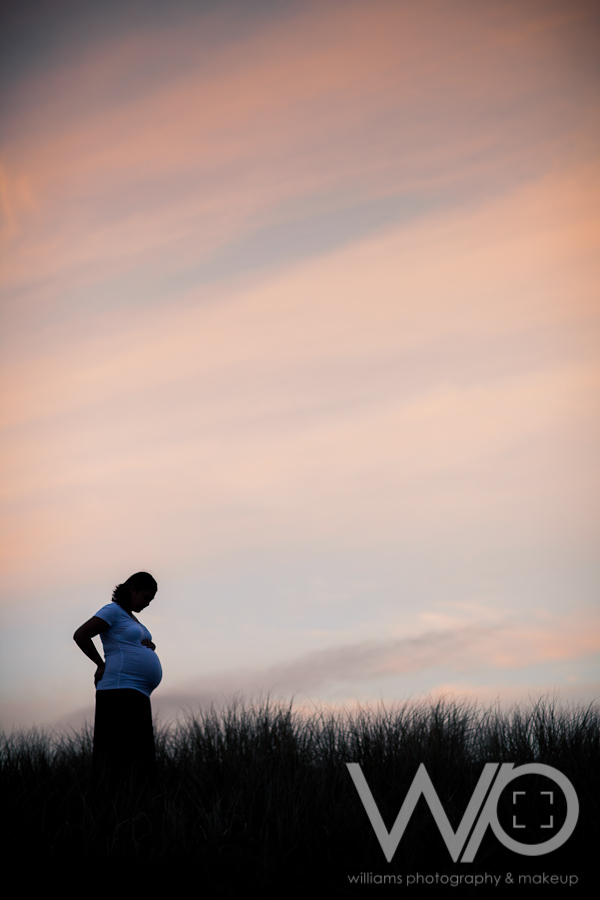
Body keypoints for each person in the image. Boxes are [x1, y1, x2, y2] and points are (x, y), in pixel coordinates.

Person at [73, 571, 162, 783]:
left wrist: (149, 647)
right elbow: (81, 635)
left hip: (138, 692)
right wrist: (100, 663)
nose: (147, 604)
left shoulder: (131, 618)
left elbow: (132, 641)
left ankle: (137, 806)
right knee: (116, 755)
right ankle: (111, 806)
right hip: (118, 689)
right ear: (133, 589)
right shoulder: (112, 611)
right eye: (145, 597)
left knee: (140, 756)